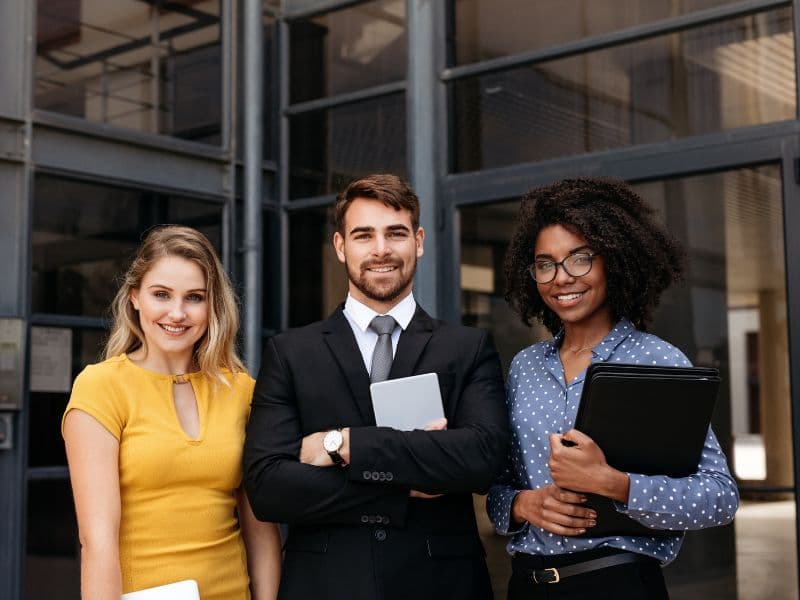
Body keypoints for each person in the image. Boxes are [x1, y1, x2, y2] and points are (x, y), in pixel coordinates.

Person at [243, 174, 510, 600]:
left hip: (442, 587)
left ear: (418, 242)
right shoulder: (290, 353)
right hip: (326, 587)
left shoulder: (467, 347)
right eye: (364, 235)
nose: (381, 249)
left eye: (396, 233)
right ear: (340, 246)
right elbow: (269, 488)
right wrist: (404, 484)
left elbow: (481, 459)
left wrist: (342, 444)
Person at [487, 178, 739, 599]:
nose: (561, 278)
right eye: (546, 264)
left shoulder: (657, 360)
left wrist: (614, 483)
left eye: (579, 259)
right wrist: (522, 505)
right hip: (527, 585)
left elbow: (719, 497)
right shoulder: (524, 367)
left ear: (614, 261)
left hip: (618, 584)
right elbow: (497, 487)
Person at [62, 225, 282, 600]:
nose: (177, 313)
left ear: (213, 305)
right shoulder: (101, 387)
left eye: (194, 297)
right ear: (135, 296)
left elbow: (262, 531)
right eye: (161, 294)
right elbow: (97, 543)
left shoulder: (241, 390)